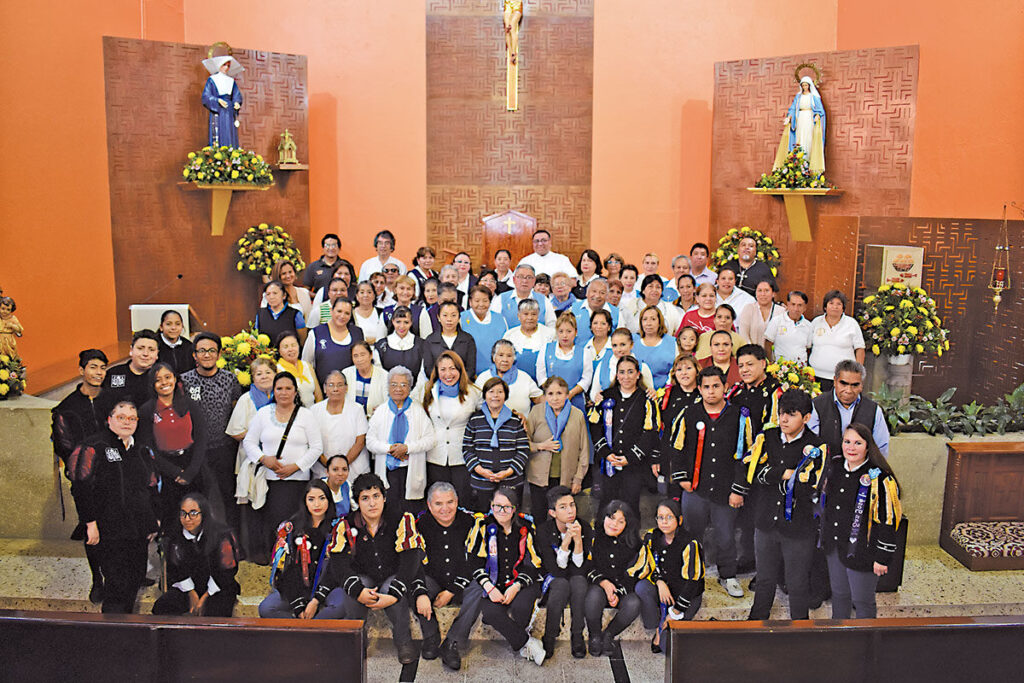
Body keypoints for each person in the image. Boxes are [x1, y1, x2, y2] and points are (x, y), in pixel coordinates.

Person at [67, 400, 159, 613]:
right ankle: (113, 636)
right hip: (110, 529)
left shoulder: (142, 449)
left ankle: (128, 632)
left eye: (132, 418)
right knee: (117, 584)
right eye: (121, 417)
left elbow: (151, 487)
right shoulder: (94, 446)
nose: (127, 422)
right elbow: (81, 486)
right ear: (109, 420)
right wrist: (90, 522)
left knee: (135, 578)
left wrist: (154, 520)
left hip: (137, 529)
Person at [670, 366, 751, 599]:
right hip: (695, 488)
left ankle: (728, 575)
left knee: (725, 535)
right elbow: (677, 447)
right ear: (699, 389)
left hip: (726, 491)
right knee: (691, 533)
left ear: (725, 387)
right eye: (706, 387)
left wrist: (738, 489)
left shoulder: (739, 416)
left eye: (716, 386)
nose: (711, 391)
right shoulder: (689, 413)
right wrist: (682, 478)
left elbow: (746, 455)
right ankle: (691, 574)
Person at [745, 389, 825, 621]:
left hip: (798, 527)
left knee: (797, 582)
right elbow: (754, 473)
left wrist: (777, 475)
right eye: (781, 414)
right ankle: (755, 625)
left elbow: (810, 484)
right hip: (766, 521)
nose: (784, 420)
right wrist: (785, 473)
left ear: (806, 417)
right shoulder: (767, 437)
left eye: (791, 414)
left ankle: (799, 632)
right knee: (765, 579)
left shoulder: (816, 446)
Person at [332, 472, 426, 664]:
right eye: (365, 498)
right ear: (358, 502)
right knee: (354, 588)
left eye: (376, 496)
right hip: (364, 575)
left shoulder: (401, 518)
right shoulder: (346, 524)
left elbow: (411, 557)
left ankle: (403, 641)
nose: (372, 503)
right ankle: (356, 641)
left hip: (393, 574)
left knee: (391, 589)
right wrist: (358, 592)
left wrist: (393, 594)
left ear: (384, 497)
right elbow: (338, 562)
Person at [818, 423, 901, 619]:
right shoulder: (835, 467)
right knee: (839, 595)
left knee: (862, 601)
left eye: (857, 443)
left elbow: (888, 520)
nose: (851, 448)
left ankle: (865, 645)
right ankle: (840, 639)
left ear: (868, 447)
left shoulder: (879, 478)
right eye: (847, 442)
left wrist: (882, 557)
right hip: (835, 547)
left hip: (863, 551)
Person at [51, 349, 110, 603]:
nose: (98, 373)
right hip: (86, 480)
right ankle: (98, 579)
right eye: (93, 367)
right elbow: (64, 446)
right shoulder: (67, 408)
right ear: (81, 370)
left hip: (115, 474)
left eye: (103, 368)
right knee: (92, 531)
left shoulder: (112, 399)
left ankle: (127, 573)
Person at [412, 482, 487, 671]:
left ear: (457, 501)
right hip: (433, 580)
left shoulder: (471, 522)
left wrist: (452, 590)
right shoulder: (419, 524)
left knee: (480, 588)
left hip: (461, 582)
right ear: (429, 505)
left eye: (450, 502)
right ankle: (431, 636)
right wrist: (421, 593)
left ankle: (452, 642)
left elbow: (475, 561)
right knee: (412, 586)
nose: (445, 509)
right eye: (438, 504)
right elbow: (414, 562)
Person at [243, 371, 323, 548]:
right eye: (279, 388)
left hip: (299, 482)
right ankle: (276, 562)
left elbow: (317, 447)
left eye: (288, 388)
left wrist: (296, 466)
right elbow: (249, 442)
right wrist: (264, 459)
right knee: (274, 524)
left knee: (298, 525)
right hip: (272, 482)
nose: (284, 392)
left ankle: (296, 561)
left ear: (296, 392)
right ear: (274, 391)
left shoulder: (306, 415)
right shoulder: (263, 414)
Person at [468, 487, 545, 665]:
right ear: (491, 506)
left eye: (507, 507)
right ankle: (528, 643)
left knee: (521, 607)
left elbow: (533, 562)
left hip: (521, 581)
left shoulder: (525, 527)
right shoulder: (482, 526)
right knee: (490, 611)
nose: (502, 511)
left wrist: (517, 585)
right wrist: (489, 587)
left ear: (515, 508)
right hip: (492, 582)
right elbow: (473, 562)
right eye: (497, 506)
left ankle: (524, 642)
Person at [180, 333, 243, 531]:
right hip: (194, 450)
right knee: (196, 497)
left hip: (224, 448)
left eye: (211, 350)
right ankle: (197, 537)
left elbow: (237, 410)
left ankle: (232, 540)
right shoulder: (184, 380)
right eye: (202, 351)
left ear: (218, 354)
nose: (207, 355)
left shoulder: (230, 379)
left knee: (228, 495)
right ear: (194, 355)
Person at [137, 362, 209, 534]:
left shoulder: (189, 404)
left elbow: (201, 438)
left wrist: (191, 471)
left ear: (175, 379)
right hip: (165, 468)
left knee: (196, 516)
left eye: (168, 377)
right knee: (171, 518)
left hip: (192, 464)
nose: (164, 383)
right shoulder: (147, 410)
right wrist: (175, 472)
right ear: (152, 385)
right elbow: (147, 446)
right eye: (158, 380)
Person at [259, 480, 347, 619]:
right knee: (267, 608)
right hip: (298, 586)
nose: (317, 504)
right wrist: (298, 605)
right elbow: (286, 570)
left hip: (327, 586)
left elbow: (337, 568)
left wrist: (316, 600)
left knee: (341, 605)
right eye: (311, 499)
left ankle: (312, 632)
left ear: (329, 500)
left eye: (322, 498)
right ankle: (301, 631)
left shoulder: (338, 527)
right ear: (305, 501)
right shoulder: (291, 527)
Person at [589, 356, 659, 518]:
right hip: (609, 463)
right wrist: (606, 453)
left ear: (638, 374)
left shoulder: (646, 399)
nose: (626, 376)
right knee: (605, 505)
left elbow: (650, 433)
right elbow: (595, 426)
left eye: (630, 372)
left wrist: (631, 457)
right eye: (622, 372)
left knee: (631, 506)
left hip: (634, 465)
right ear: (616, 375)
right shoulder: (606, 396)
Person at [153, 493, 240, 617]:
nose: (187, 519)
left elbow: (227, 570)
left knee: (213, 614)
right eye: (183, 513)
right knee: (162, 607)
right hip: (188, 585)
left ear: (203, 513)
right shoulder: (174, 535)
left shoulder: (221, 534)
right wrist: (191, 592)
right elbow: (175, 568)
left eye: (193, 513)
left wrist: (204, 597)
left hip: (217, 586)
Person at [585, 500, 652, 656]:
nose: (614, 524)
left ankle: (608, 634)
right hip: (600, 587)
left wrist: (618, 591)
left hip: (623, 589)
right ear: (603, 518)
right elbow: (586, 566)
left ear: (627, 524)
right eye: (611, 518)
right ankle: (594, 635)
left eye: (620, 521)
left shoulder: (635, 543)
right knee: (593, 596)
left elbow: (638, 571)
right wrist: (603, 583)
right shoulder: (594, 538)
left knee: (634, 603)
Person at [225, 357, 277, 560]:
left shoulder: (283, 395)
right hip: (252, 461)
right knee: (255, 511)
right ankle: (257, 552)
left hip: (278, 463)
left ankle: (276, 550)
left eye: (268, 372)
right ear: (252, 378)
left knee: (275, 507)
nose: (264, 377)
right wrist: (259, 432)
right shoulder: (247, 400)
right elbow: (235, 432)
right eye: (259, 374)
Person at [366, 366, 435, 514]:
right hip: (387, 470)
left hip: (410, 470)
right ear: (388, 386)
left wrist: (408, 448)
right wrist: (391, 449)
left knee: (411, 514)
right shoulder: (380, 411)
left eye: (403, 385)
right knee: (389, 512)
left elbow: (430, 439)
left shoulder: (418, 410)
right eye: (394, 384)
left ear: (410, 388)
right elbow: (370, 441)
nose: (398, 388)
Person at [536, 486, 592, 660]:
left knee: (579, 582)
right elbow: (555, 570)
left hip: (575, 575)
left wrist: (578, 541)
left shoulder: (584, 527)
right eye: (563, 507)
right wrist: (566, 543)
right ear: (552, 512)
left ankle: (577, 634)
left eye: (572, 505)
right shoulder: (543, 531)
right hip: (553, 577)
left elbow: (581, 569)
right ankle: (549, 636)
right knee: (561, 585)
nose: (570, 511)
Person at [642, 498, 704, 653]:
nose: (664, 522)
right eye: (660, 517)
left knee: (666, 648)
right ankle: (657, 625)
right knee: (641, 587)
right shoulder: (652, 537)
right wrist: (659, 582)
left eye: (669, 517)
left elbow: (693, 582)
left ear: (679, 520)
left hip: (686, 596)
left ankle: (664, 627)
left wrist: (675, 612)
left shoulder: (690, 543)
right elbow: (649, 565)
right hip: (665, 591)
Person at [525, 377, 590, 520]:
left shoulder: (577, 415)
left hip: (566, 478)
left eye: (559, 393)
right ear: (545, 396)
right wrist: (541, 446)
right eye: (550, 394)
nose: (555, 398)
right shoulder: (536, 412)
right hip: (539, 477)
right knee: (539, 516)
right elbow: (524, 443)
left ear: (567, 395)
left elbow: (584, 450)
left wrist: (578, 479)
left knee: (563, 517)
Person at [463, 377, 531, 511]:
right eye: (491, 391)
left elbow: (523, 449)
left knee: (510, 516)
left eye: (500, 392)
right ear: (485, 395)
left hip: (511, 481)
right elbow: (467, 448)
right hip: (481, 481)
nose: (495, 395)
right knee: (482, 518)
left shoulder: (515, 420)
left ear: (505, 395)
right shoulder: (475, 419)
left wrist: (508, 472)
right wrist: (481, 471)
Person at [423, 351, 481, 503]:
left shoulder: (473, 392)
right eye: (443, 369)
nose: (448, 374)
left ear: (460, 370)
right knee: (437, 500)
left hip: (461, 457)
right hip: (435, 456)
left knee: (462, 500)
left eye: (452, 368)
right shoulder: (428, 390)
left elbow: (492, 409)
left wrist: (515, 414)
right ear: (437, 371)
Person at [808, 359, 890, 456]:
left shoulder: (873, 410)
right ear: (835, 381)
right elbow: (810, 444)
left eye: (855, 385)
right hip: (825, 467)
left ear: (862, 385)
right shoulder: (817, 406)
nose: (848, 390)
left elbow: (881, 448)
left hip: (861, 469)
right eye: (843, 383)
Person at [311, 370, 370, 478]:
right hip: (323, 470)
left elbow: (360, 441)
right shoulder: (314, 410)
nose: (335, 389)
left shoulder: (357, 409)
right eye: (331, 385)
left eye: (340, 385)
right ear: (324, 388)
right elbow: (311, 442)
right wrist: (330, 466)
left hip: (354, 469)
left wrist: (342, 467)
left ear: (346, 388)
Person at [808, 290, 865, 392]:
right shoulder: (816, 322)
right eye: (831, 303)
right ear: (825, 307)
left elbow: (860, 349)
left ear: (843, 308)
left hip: (844, 378)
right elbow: (807, 346)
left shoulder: (851, 324)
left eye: (839, 304)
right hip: (817, 376)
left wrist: (857, 374)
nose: (835, 307)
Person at [658, 355, 702, 483]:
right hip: (670, 455)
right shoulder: (667, 395)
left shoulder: (704, 394)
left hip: (697, 456)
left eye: (688, 368)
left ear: (697, 371)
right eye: (679, 370)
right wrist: (656, 459)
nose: (684, 373)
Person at [303, 298, 365, 387]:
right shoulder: (316, 333)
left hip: (351, 390)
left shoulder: (357, 333)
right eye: (339, 311)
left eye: (347, 313)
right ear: (331, 311)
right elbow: (306, 365)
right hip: (322, 391)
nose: (342, 316)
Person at [475, 339, 543, 417]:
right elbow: (476, 405)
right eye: (501, 355)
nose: (505, 360)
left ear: (514, 358)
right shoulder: (483, 378)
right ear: (494, 357)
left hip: (520, 425)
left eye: (509, 356)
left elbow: (539, 399)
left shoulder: (524, 377)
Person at [536, 313, 587, 411]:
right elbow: (541, 376)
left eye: (569, 331)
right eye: (561, 331)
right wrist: (554, 395)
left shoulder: (584, 352)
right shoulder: (546, 349)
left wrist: (570, 394)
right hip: (551, 402)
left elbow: (586, 379)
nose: (565, 335)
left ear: (575, 332)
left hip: (575, 402)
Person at [589, 328, 655, 404]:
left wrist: (652, 393)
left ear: (631, 345)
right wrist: (596, 397)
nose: (619, 349)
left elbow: (650, 392)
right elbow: (594, 392)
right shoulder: (603, 365)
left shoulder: (643, 367)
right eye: (615, 345)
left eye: (622, 345)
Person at [422, 301, 478, 382]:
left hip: (463, 386)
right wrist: (444, 382)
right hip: (437, 386)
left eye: (453, 315)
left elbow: (471, 369)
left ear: (459, 318)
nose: (449, 319)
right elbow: (428, 370)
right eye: (445, 315)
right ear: (438, 317)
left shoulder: (468, 339)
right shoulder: (430, 340)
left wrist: (458, 383)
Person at [502, 299, 555, 383]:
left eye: (533, 314)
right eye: (525, 314)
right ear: (519, 316)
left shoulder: (550, 334)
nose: (529, 318)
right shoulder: (509, 335)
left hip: (545, 384)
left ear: (538, 316)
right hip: (516, 383)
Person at [103, 329, 160, 407]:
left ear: (157, 354)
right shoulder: (113, 373)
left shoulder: (161, 376)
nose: (145, 354)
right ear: (131, 350)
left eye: (151, 350)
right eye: (140, 348)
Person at [491, 264, 558, 329]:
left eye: (529, 277)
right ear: (514, 279)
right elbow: (494, 324)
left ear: (534, 280)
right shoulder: (501, 299)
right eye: (520, 277)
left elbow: (552, 326)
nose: (524, 281)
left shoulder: (544, 300)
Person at [460, 286, 509, 375]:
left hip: (495, 374)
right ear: (470, 302)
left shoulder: (500, 319)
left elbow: (506, 347)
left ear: (490, 302)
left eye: (485, 301)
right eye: (477, 301)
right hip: (467, 374)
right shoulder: (461, 318)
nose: (481, 304)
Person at [200, 55, 243, 148]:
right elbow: (206, 96)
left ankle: (232, 154)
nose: (226, 68)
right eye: (224, 65)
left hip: (229, 110)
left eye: (228, 65)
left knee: (230, 133)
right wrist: (217, 100)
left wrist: (236, 102)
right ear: (219, 65)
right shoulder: (212, 79)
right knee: (219, 132)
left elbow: (236, 95)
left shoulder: (231, 81)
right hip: (218, 111)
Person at [374, 306, 426, 381]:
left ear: (411, 322)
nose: (402, 326)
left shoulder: (421, 345)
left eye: (406, 322)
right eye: (398, 322)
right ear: (393, 321)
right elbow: (379, 374)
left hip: (416, 390)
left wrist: (415, 392)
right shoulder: (381, 346)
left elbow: (422, 375)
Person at [786, 76, 826, 172]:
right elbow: (792, 108)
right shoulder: (798, 97)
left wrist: (817, 115)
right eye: (803, 85)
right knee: (800, 138)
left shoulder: (814, 97)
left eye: (806, 85)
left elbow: (819, 109)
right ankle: (799, 162)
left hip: (809, 119)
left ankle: (808, 162)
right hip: (800, 119)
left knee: (809, 139)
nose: (804, 87)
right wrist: (789, 117)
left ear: (809, 86)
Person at [632, 306, 677, 389]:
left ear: (660, 322)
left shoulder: (673, 342)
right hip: (637, 391)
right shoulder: (632, 341)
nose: (648, 323)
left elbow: (676, 369)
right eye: (645, 319)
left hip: (665, 391)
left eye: (653, 319)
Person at [763, 290, 813, 363]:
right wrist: (770, 364)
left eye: (800, 305)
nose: (796, 309)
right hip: (780, 369)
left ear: (805, 307)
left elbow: (808, 348)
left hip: (801, 370)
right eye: (793, 304)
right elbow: (768, 344)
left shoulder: (808, 325)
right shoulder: (776, 321)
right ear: (788, 304)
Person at [341, 341, 388, 417]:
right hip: (351, 419)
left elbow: (388, 401)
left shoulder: (384, 375)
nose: (359, 359)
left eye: (363, 355)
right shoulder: (346, 373)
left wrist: (381, 409)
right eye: (355, 356)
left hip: (375, 419)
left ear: (371, 355)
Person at [276, 331, 321, 407]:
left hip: (312, 412)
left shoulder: (307, 365)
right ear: (279, 351)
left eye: (293, 345)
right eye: (285, 347)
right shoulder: (278, 369)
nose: (290, 349)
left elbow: (318, 395)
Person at [256, 280, 306, 346]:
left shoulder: (295, 314)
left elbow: (302, 340)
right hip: (266, 354)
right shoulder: (260, 314)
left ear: (284, 295)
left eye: (275, 293)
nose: (271, 297)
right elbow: (256, 336)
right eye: (268, 294)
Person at [570, 278, 619, 345]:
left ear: (607, 296)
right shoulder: (573, 309)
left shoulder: (617, 313)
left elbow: (621, 338)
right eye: (594, 291)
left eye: (602, 293)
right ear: (587, 293)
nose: (597, 295)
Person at [737, 279, 783, 347]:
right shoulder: (748, 309)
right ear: (755, 293)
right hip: (752, 353)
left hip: (775, 354)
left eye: (766, 290)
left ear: (773, 294)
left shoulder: (781, 312)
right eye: (759, 290)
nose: (763, 294)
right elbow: (744, 335)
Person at [580, 309, 614, 396]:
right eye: (595, 323)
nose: (598, 326)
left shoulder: (615, 348)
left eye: (603, 323)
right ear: (591, 326)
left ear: (609, 327)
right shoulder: (581, 347)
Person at [156, 310, 193, 376]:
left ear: (182, 327)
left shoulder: (189, 346)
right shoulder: (154, 345)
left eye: (177, 324)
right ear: (161, 327)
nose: (173, 328)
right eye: (168, 324)